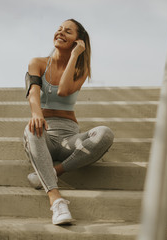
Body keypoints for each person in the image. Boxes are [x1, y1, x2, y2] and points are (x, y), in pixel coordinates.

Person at [23, 19, 114, 225]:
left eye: (68, 31)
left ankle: (51, 172)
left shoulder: (81, 69)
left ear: (78, 41)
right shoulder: (36, 63)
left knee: (105, 133)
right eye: (59, 29)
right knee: (31, 130)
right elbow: (33, 94)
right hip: (43, 133)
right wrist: (37, 114)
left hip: (69, 138)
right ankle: (56, 200)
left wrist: (74, 55)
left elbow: (63, 90)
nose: (60, 33)